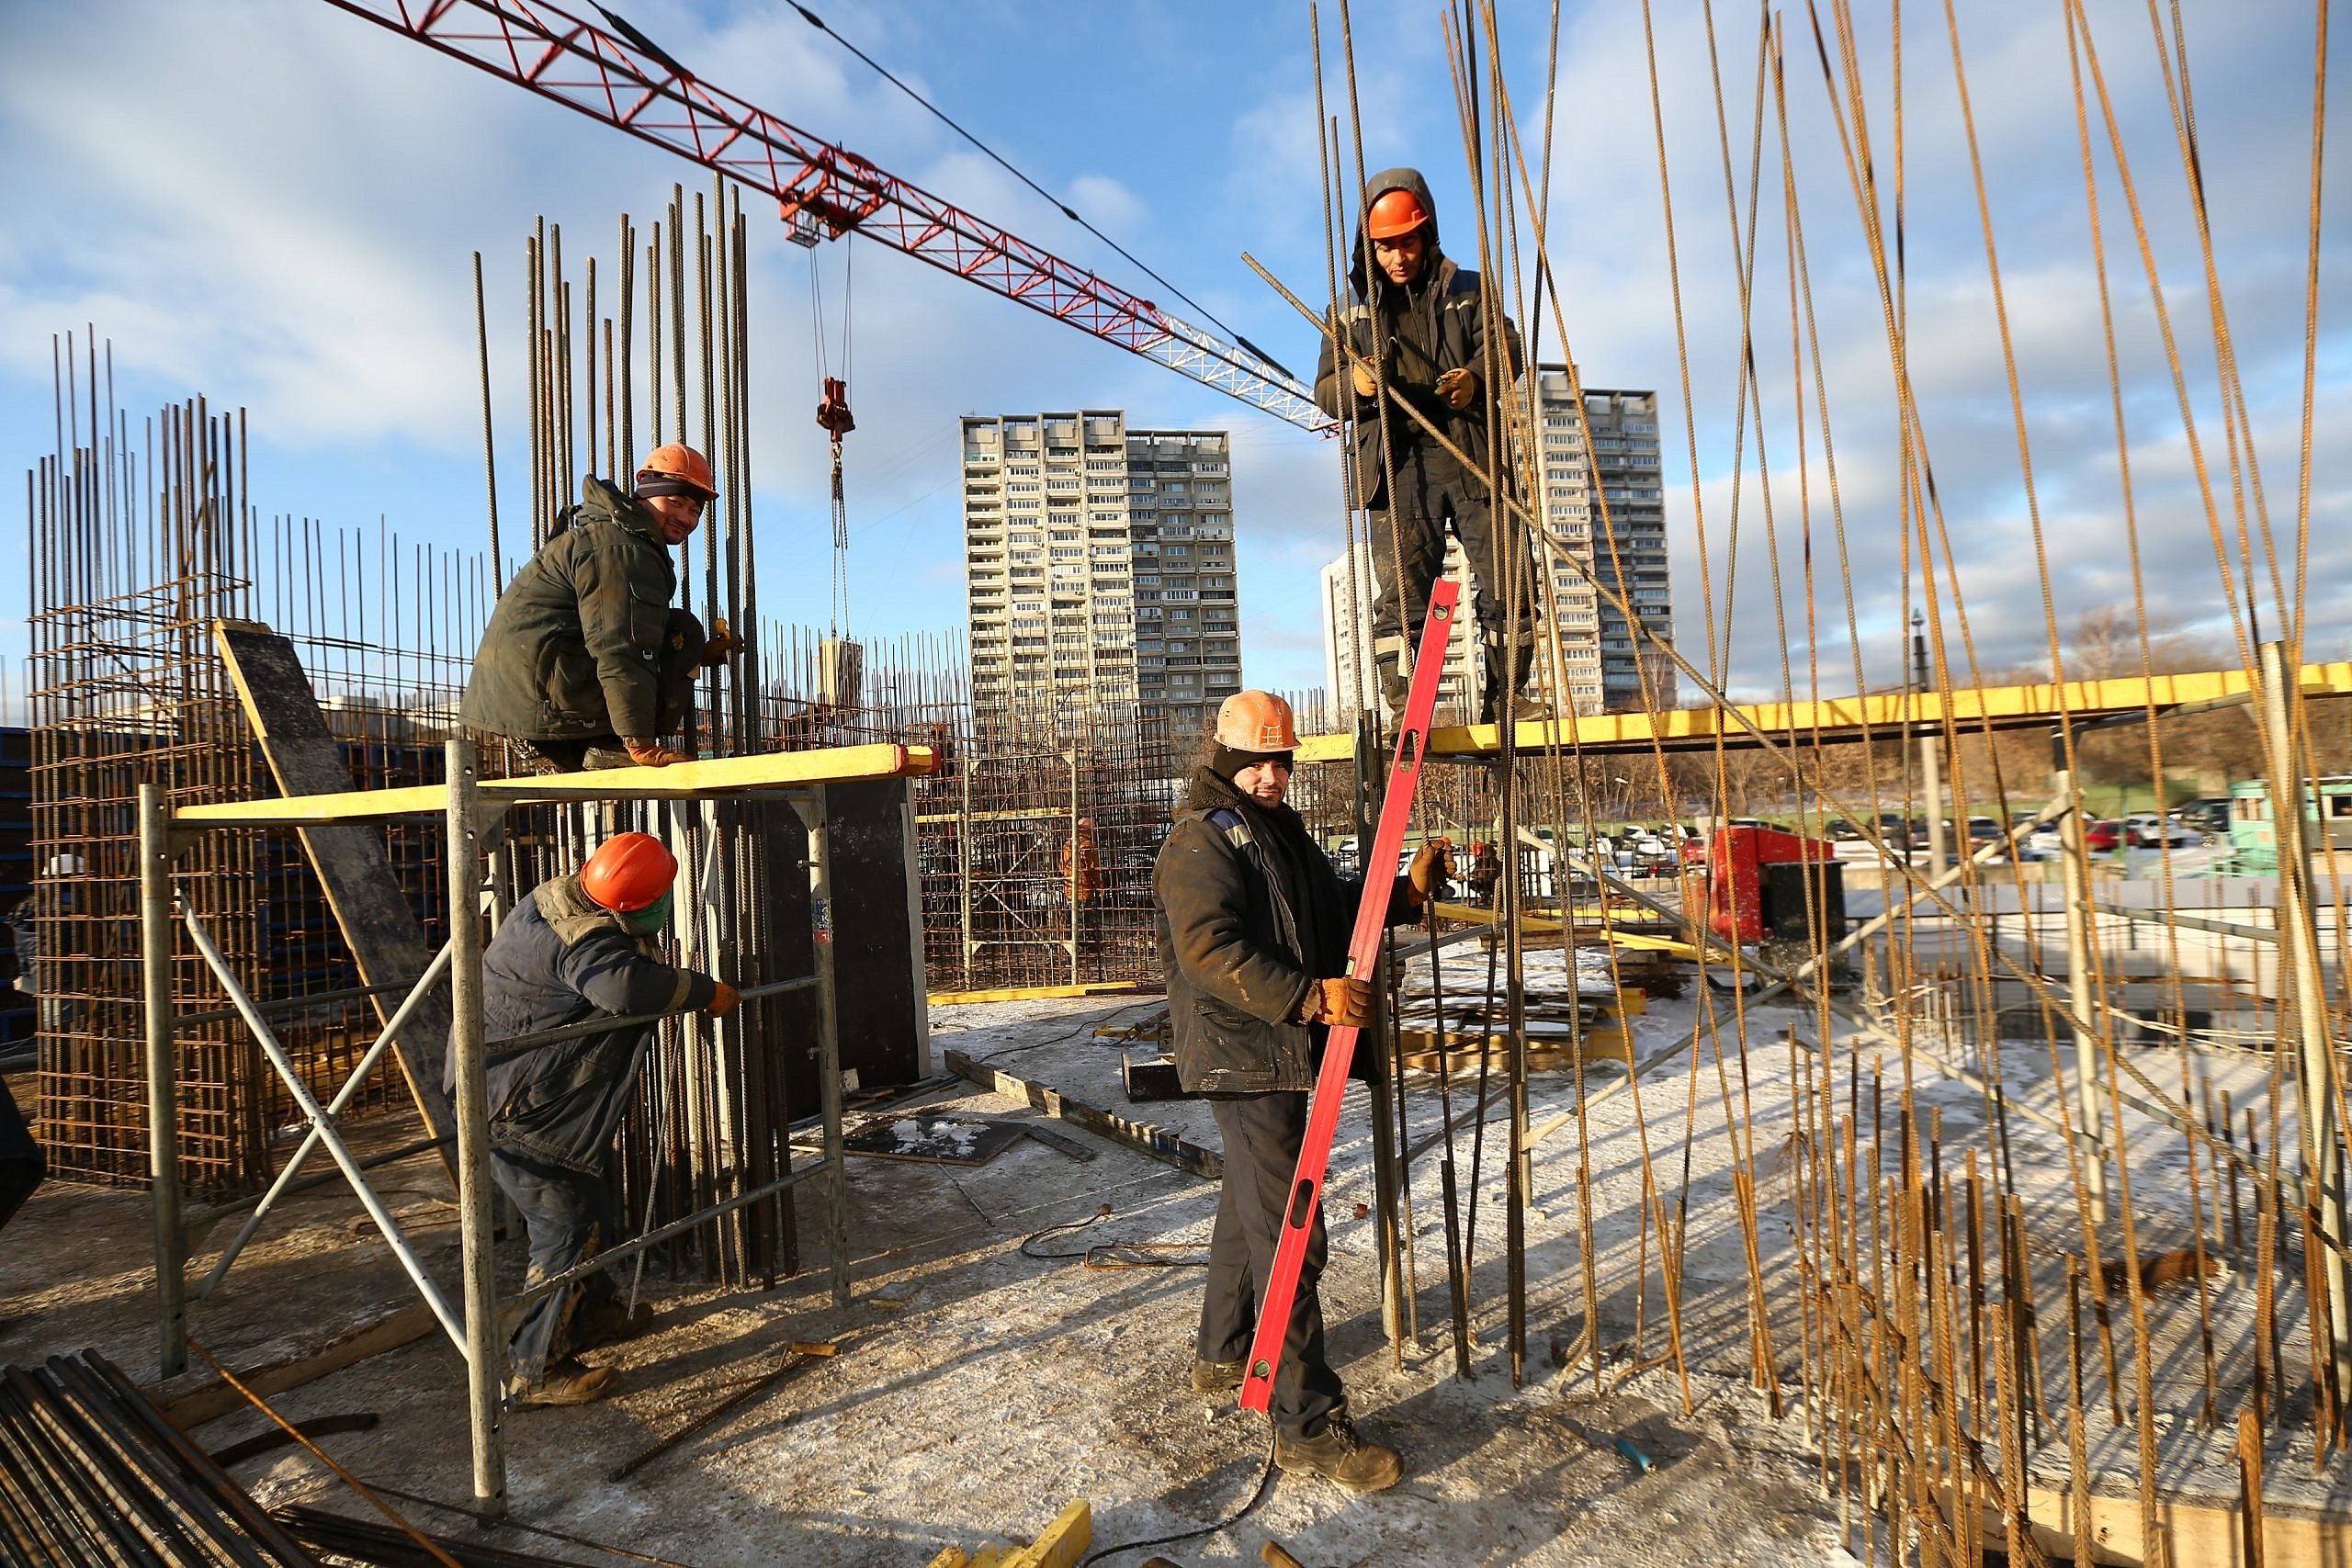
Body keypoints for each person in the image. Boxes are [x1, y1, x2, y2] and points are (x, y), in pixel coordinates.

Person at [1153, 690, 1448, 1494]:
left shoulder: (1278, 833)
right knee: (1292, 1235)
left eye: (1281, 761)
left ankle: (1224, 1353)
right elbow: (1211, 951)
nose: (1272, 775)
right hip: (1246, 1054)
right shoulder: (1201, 842)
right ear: (1226, 760)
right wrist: (1312, 998)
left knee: (1249, 1206)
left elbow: (1333, 913)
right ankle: (1307, 1423)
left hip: (1274, 1051)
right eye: (1257, 762)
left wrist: (1404, 893)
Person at [449, 831, 740, 1407]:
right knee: (565, 1226)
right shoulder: (590, 943)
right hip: (519, 1105)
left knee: (593, 1204)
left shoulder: (553, 899)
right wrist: (703, 990)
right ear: (639, 902)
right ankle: (535, 1370)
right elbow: (623, 988)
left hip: (510, 1082)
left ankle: (593, 1315)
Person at [1312, 170, 1544, 727]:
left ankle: (1507, 695)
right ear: (1369, 247)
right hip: (1396, 466)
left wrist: (1478, 380)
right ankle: (1406, 704)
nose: (1397, 258)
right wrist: (1359, 386)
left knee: (1510, 578)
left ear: (1428, 234)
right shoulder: (1350, 312)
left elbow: (1506, 349)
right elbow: (1326, 391)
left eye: (1407, 243)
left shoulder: (1470, 290)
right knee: (1402, 593)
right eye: (1385, 247)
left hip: (1468, 455)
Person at [460, 445, 741, 773]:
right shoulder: (623, 548)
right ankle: (610, 746)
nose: (685, 518)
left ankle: (600, 742)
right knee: (682, 630)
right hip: (543, 701)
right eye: (674, 502)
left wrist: (692, 656)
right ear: (644, 495)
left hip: (528, 694)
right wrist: (639, 742)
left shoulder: (613, 535)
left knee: (678, 634)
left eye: (695, 511)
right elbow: (622, 645)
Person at [1058, 817, 1103, 955]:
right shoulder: (1087, 845)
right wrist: (1100, 886)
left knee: (1075, 919)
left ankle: (1080, 948)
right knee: (1085, 920)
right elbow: (1093, 869)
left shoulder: (1067, 845)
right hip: (1084, 890)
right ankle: (1081, 949)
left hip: (1069, 889)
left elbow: (1061, 867)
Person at [1468, 840, 1504, 905]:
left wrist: (1475, 874)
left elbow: (1487, 871)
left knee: (1476, 884)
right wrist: (1473, 873)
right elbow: (1478, 868)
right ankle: (1485, 896)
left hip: (1490, 880)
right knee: (1473, 884)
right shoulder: (1484, 858)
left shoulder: (1488, 859)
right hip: (1486, 879)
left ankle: (1486, 896)